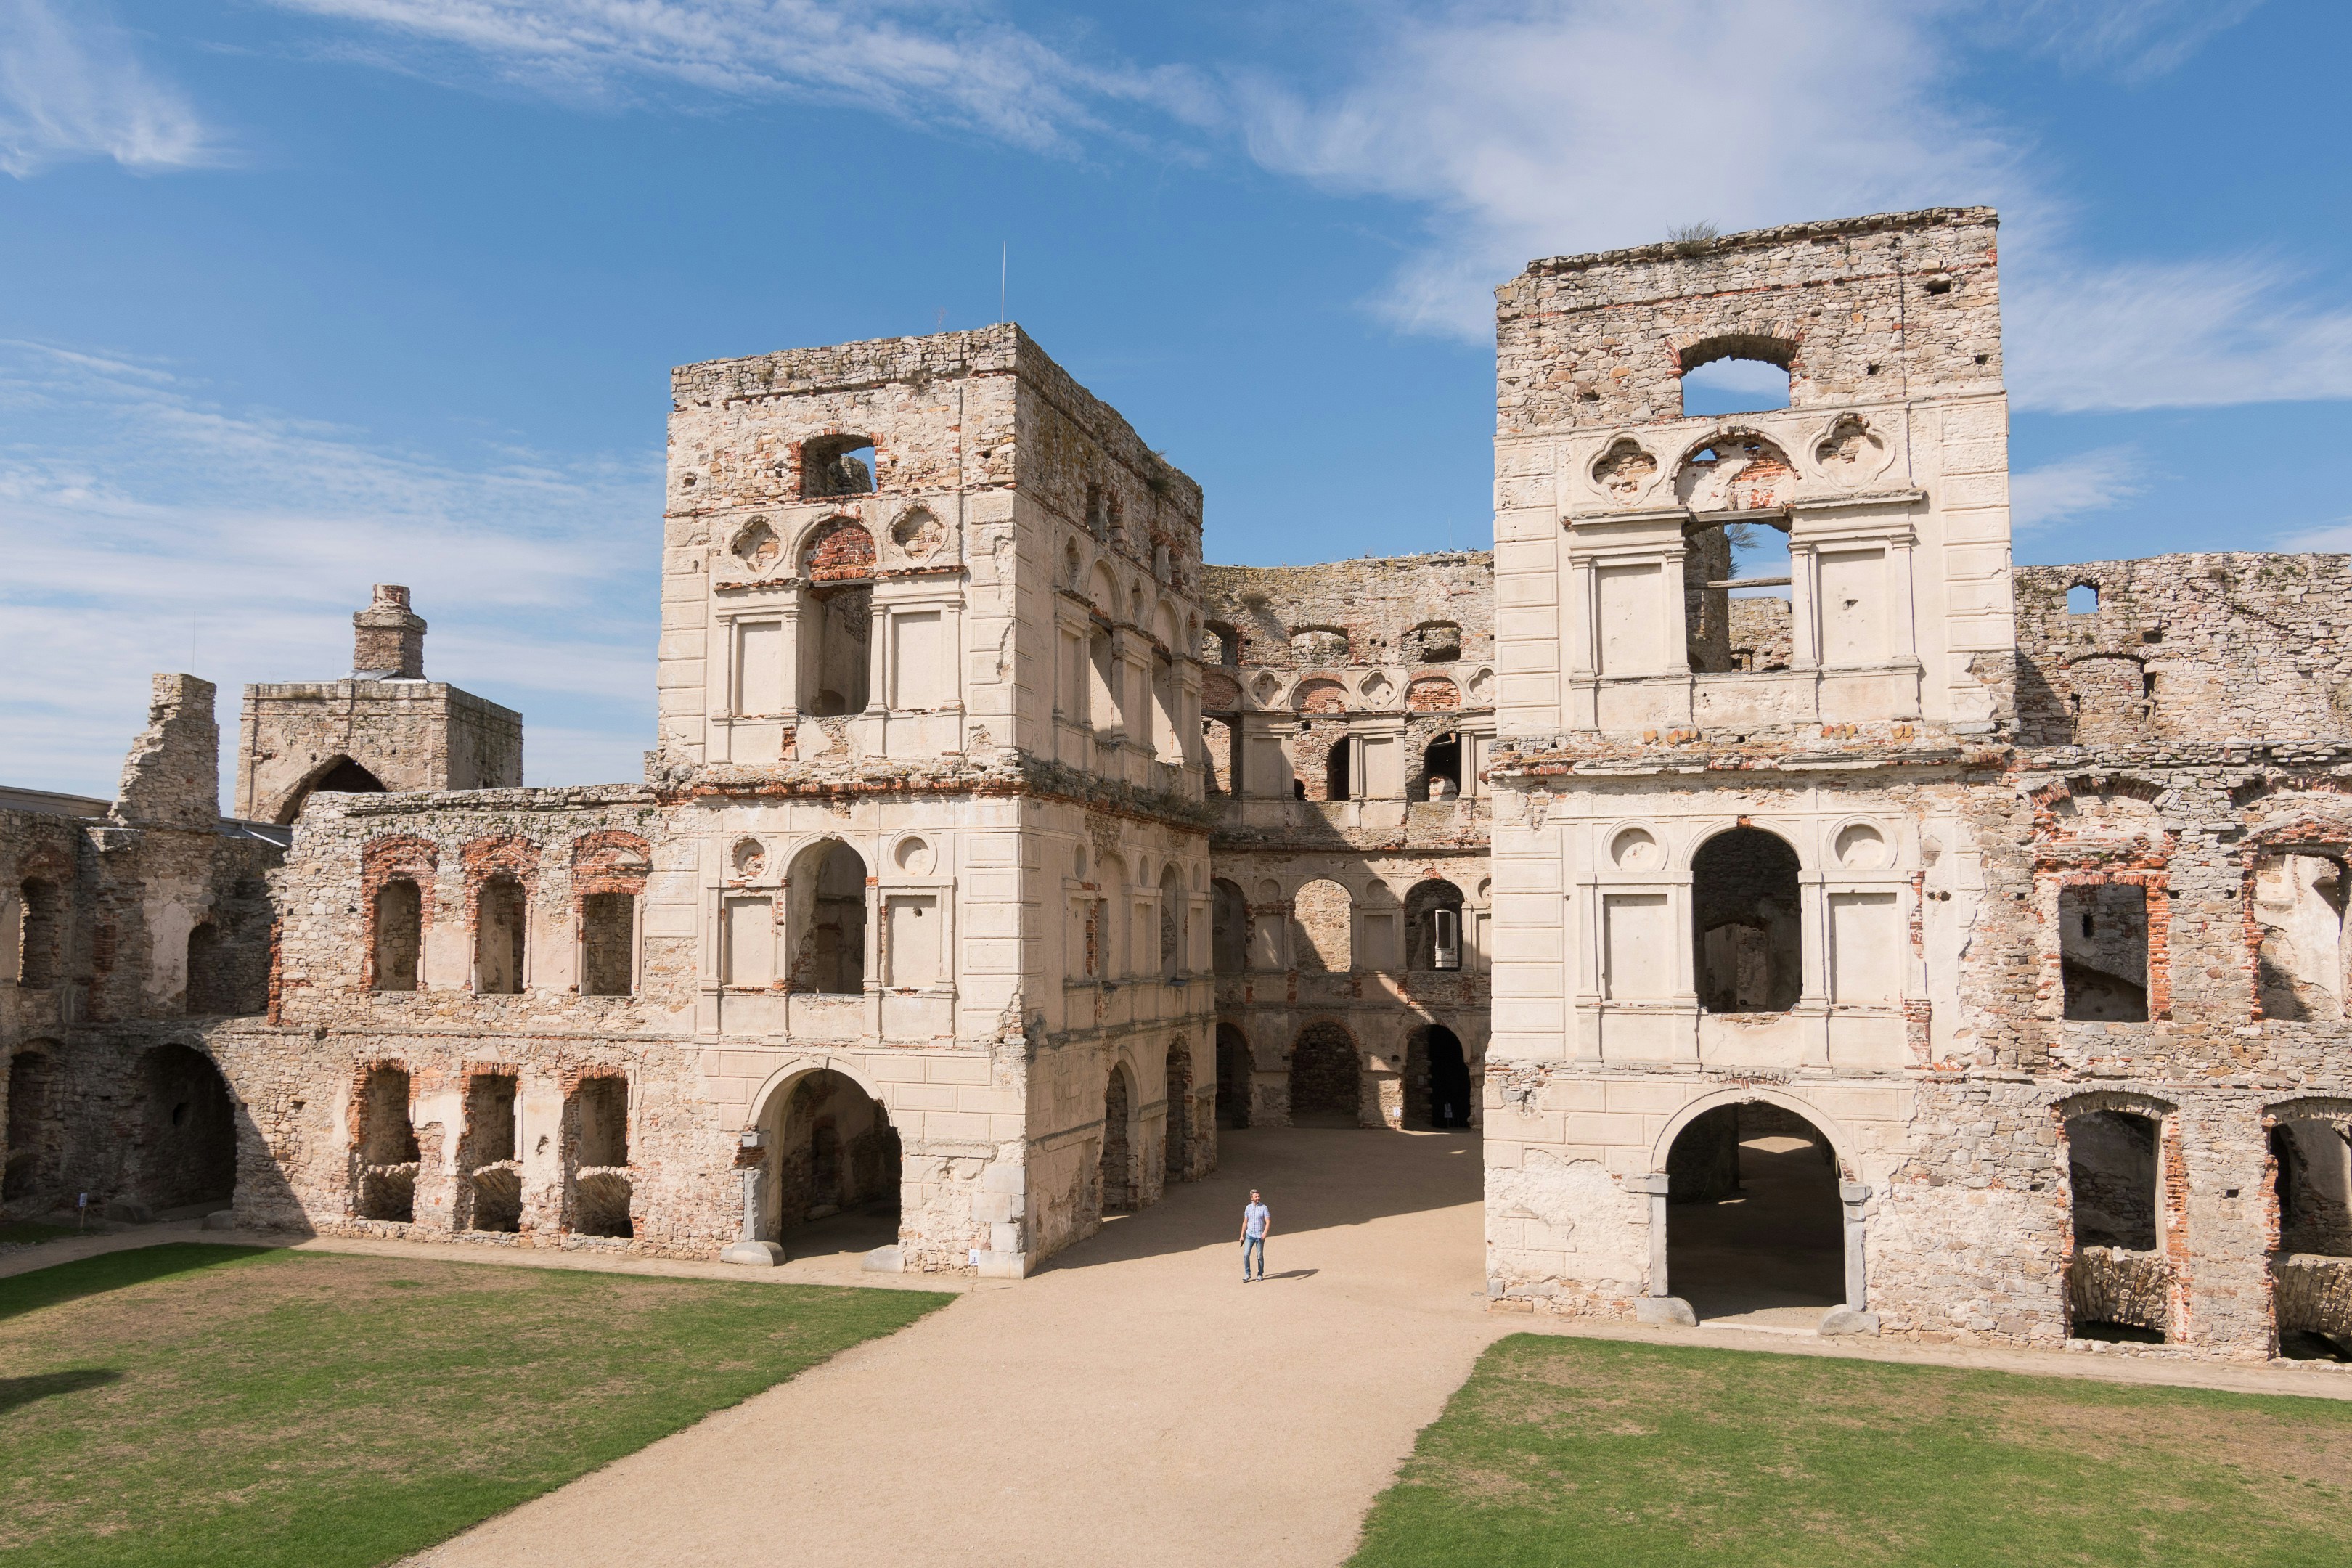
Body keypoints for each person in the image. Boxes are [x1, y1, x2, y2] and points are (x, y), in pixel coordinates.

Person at [1239, 1189, 1270, 1282]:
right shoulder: (1248, 1208)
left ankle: (1260, 1274)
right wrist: (1242, 1235)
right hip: (1250, 1235)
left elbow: (1268, 1221)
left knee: (1259, 1256)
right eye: (1256, 1197)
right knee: (1246, 1254)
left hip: (1260, 1236)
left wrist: (1265, 1233)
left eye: (1259, 1196)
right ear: (1252, 1198)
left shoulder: (1264, 1208)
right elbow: (1245, 1222)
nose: (1258, 1198)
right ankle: (1247, 1274)